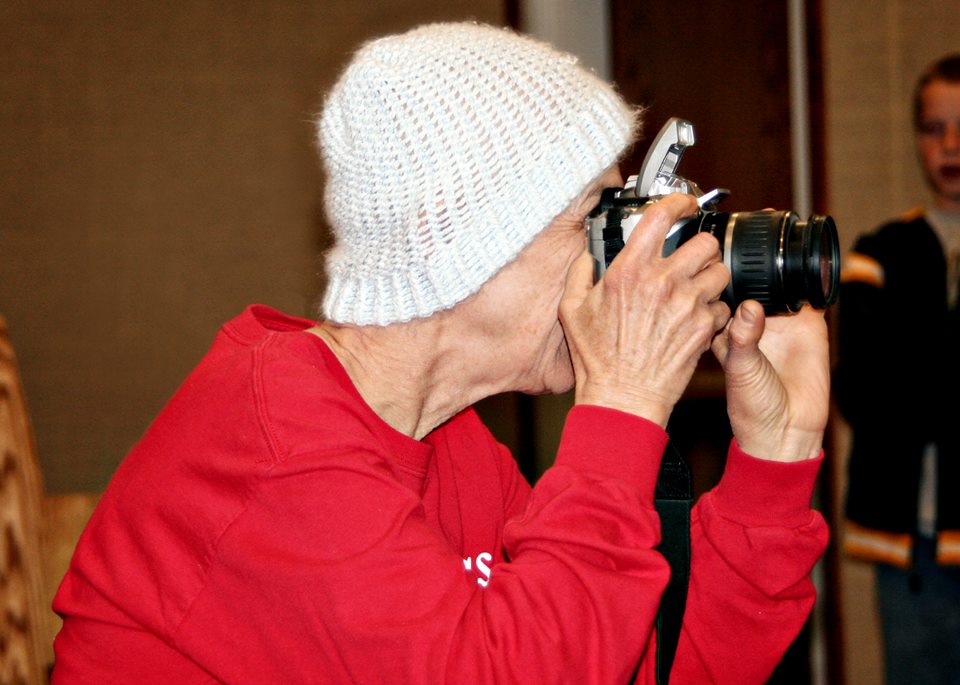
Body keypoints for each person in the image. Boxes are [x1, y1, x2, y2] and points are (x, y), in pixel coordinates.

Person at [51, 22, 829, 684]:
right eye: (598, 212)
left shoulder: (451, 450)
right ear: (451, 233)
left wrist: (775, 457)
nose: (623, 259)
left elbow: (642, 662)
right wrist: (621, 406)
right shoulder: (276, 445)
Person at [835, 53, 960, 684]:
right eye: (935, 128)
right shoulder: (878, 253)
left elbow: (901, 379)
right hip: (909, 543)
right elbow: (859, 389)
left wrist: (918, 369)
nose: (951, 145)